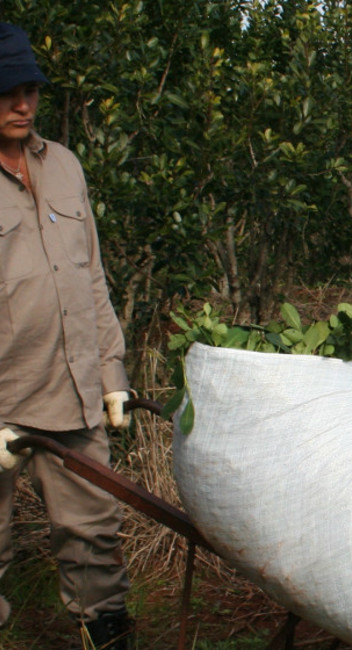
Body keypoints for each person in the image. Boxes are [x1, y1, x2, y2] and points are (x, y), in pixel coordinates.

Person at [0, 22, 134, 648]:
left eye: (28, 89)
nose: (21, 104)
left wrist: (112, 375)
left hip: (73, 389)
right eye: (6, 91)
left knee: (94, 534)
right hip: (4, 395)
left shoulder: (65, 167)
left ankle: (102, 632)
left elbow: (93, 278)